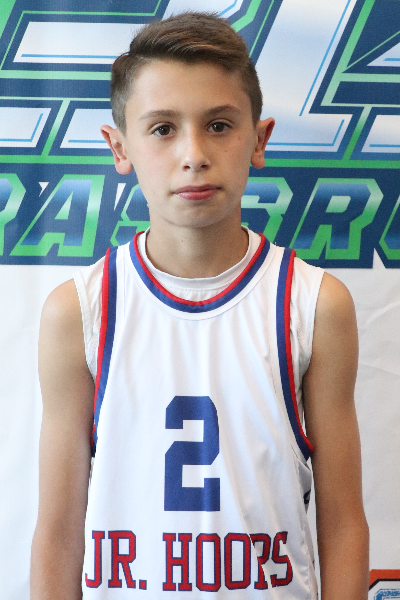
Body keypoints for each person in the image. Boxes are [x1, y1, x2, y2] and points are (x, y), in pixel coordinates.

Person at [31, 12, 369, 600]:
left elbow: (342, 524)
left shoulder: (314, 304)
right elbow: (59, 535)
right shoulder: (80, 311)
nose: (193, 153)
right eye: (163, 128)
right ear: (119, 147)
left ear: (259, 139)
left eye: (218, 125)